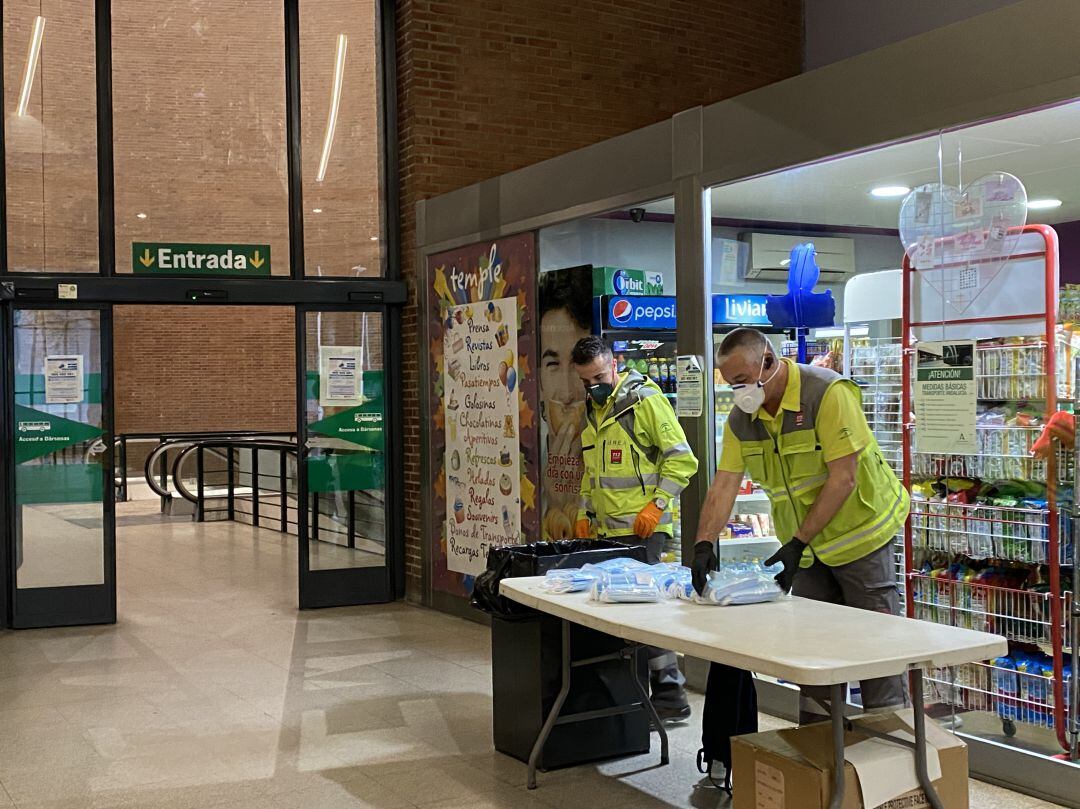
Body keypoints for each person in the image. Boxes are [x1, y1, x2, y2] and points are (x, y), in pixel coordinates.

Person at [692, 328, 911, 725]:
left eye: (742, 382)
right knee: (814, 651)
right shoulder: (743, 419)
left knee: (877, 648)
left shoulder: (825, 393)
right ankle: (817, 755)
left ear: (769, 363)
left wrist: (796, 542)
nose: (739, 393)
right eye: (731, 385)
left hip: (862, 535)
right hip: (805, 550)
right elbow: (724, 484)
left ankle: (891, 759)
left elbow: (843, 477)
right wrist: (704, 544)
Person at [571, 335, 699, 721]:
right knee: (624, 616)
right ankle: (645, 695)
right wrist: (583, 512)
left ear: (615, 364)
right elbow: (593, 474)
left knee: (643, 615)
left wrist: (656, 506)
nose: (594, 385)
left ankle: (670, 693)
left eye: (598, 376)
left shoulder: (645, 401)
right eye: (586, 380)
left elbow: (682, 460)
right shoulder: (595, 411)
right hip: (608, 532)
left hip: (643, 529)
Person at [538, 269, 593, 539]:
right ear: (537, 381)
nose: (569, 392)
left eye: (577, 362)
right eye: (552, 364)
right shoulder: (526, 468)